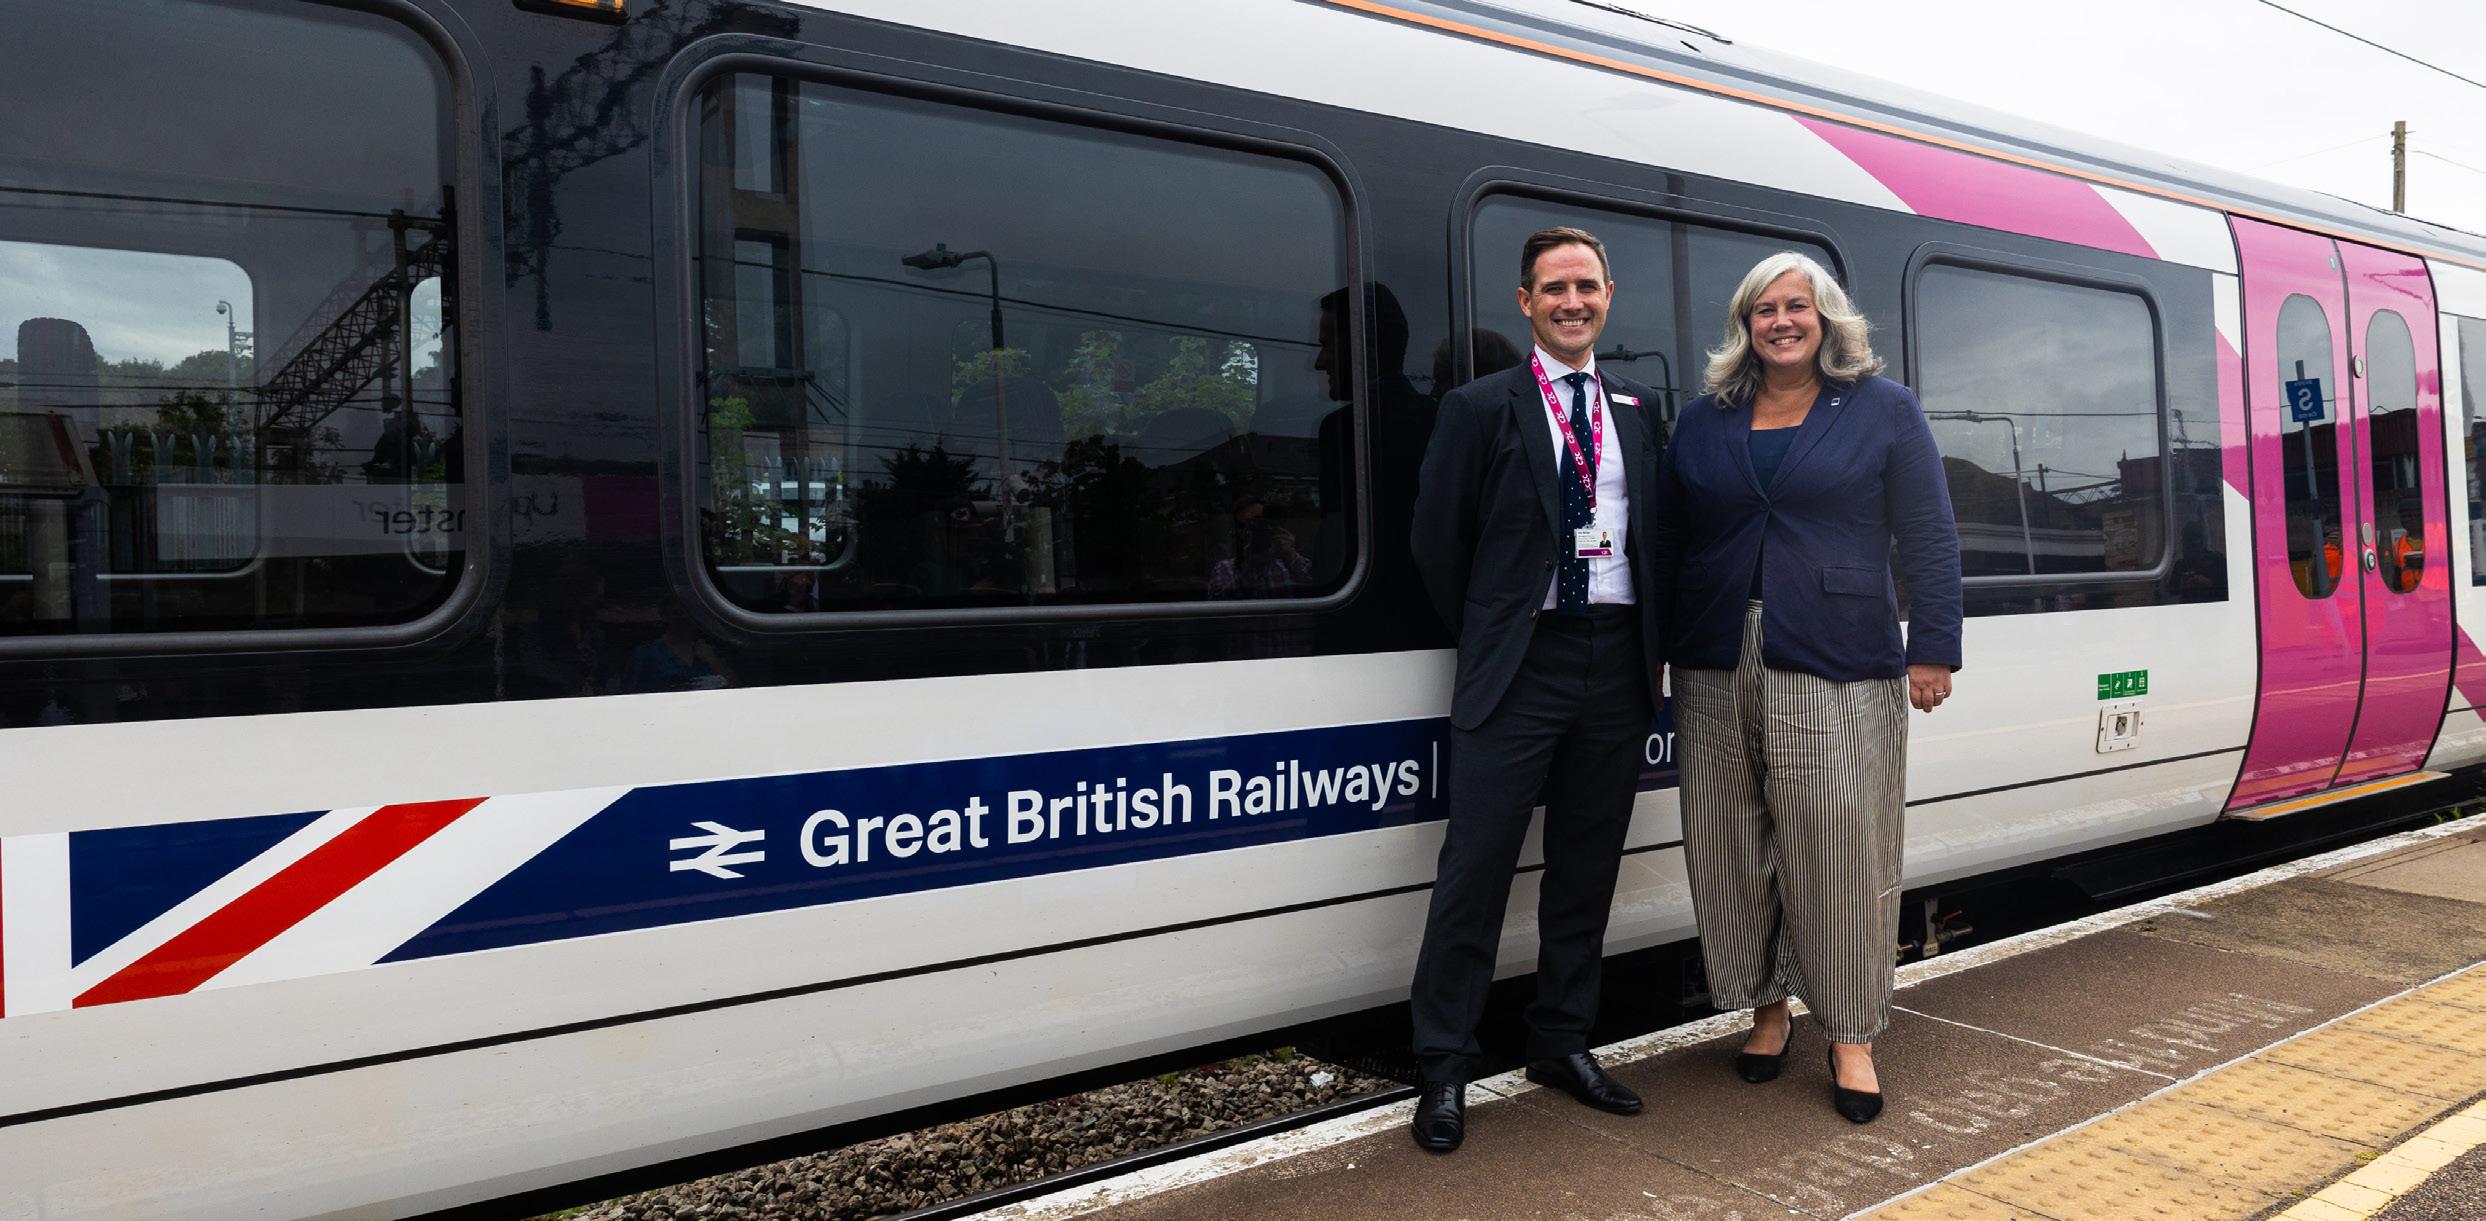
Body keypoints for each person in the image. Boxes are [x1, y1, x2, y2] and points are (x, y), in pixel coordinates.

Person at [1652, 251, 1962, 1125]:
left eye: (1797, 306)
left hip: (1836, 651)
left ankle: (1851, 1031)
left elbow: (1929, 532)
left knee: (1839, 847)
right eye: (1764, 309)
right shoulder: (1704, 420)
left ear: (1826, 318)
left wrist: (1933, 646)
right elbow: (1670, 542)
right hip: (1715, 653)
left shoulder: (1883, 408)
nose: (1781, 321)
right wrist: (1655, 651)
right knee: (1729, 842)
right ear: (1744, 325)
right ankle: (1766, 1009)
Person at [1405, 226, 1668, 1152]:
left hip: (1617, 661)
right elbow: (1438, 544)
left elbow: (1657, 534)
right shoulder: (1480, 407)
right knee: (1475, 871)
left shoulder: (1637, 407)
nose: (1572, 301)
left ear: (1608, 295)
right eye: (1554, 287)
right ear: (1526, 302)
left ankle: (1561, 1041)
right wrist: (1499, 627)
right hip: (1521, 663)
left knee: (1587, 867)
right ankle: (1443, 1066)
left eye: (1586, 285)